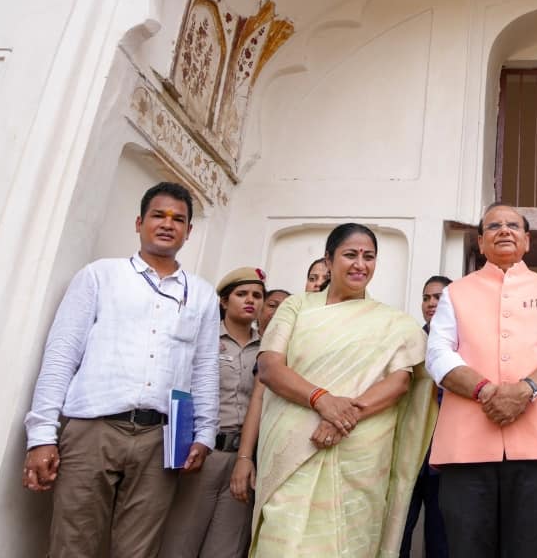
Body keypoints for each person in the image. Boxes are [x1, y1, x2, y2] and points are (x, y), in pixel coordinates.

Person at [22, 182, 219, 557]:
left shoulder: (202, 294)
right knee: (72, 544)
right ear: (139, 222)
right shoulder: (100, 276)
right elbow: (62, 354)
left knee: (138, 551)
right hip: (92, 430)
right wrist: (42, 434)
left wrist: (204, 432)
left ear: (189, 231)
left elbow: (205, 367)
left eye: (178, 219)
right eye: (158, 215)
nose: (167, 224)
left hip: (160, 439)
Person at [252, 223, 436, 555]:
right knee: (281, 542)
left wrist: (346, 415)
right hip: (295, 446)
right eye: (350, 255)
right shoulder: (297, 307)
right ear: (329, 258)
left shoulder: (394, 323)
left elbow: (401, 380)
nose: (360, 264)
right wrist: (322, 400)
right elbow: (269, 367)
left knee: (348, 544)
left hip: (360, 455)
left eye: (369, 257)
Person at [426, 203, 537, 558]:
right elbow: (438, 353)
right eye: (494, 226)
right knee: (467, 547)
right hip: (465, 444)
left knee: (529, 547)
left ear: (527, 240)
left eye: (513, 226)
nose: (504, 231)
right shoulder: (456, 292)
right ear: (480, 242)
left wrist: (526, 390)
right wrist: (485, 390)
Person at [161, 267, 267, 557]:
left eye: (257, 296)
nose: (251, 301)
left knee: (226, 548)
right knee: (180, 542)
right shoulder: (203, 340)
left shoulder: (268, 350)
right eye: (241, 294)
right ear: (223, 301)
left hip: (242, 458)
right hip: (202, 455)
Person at [401, 275, 452, 558]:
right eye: (426, 297)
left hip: (446, 454)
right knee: (398, 530)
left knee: (441, 535)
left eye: (439, 297)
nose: (431, 303)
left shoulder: (464, 343)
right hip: (410, 449)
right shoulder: (410, 341)